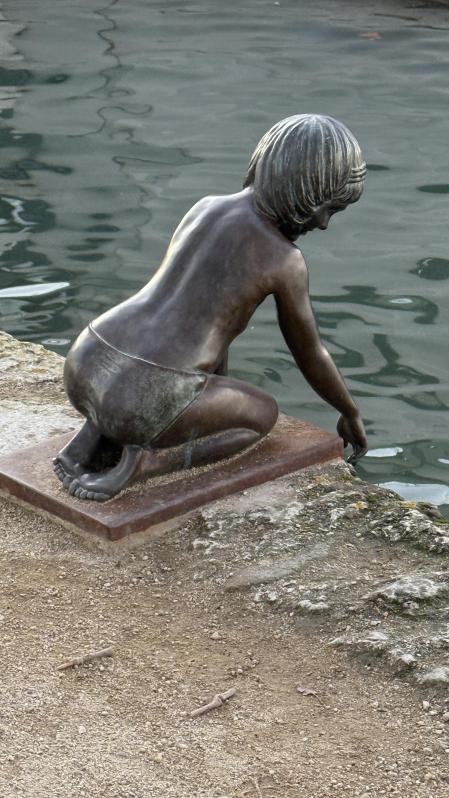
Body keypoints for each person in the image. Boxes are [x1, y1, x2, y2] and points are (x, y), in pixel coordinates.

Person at [53, 113, 368, 502]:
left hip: (87, 359)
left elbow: (201, 318)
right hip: (146, 397)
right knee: (261, 416)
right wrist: (349, 412)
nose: (323, 224)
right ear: (306, 191)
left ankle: (87, 441)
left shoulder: (205, 207)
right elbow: (310, 353)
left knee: (149, 382)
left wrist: (206, 397)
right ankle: (144, 462)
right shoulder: (284, 259)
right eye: (330, 209)